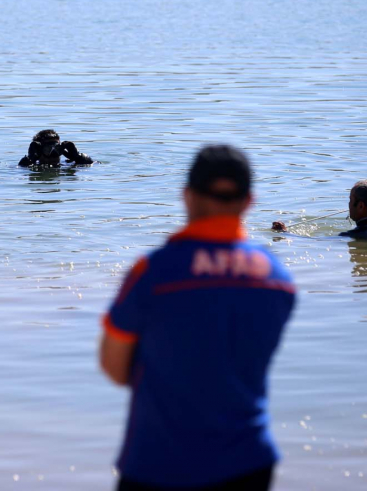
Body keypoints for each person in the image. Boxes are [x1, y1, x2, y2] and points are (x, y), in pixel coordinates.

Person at [100, 145, 296, 491]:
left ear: (187, 196)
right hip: (248, 462)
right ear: (249, 201)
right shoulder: (277, 279)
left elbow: (115, 368)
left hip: (158, 463)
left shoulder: (153, 272)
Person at [271, 179, 367, 239]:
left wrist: (284, 233)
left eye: (351, 201)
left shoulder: (351, 236)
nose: (349, 205)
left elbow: (315, 241)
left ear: (361, 206)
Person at [18, 129, 94, 166]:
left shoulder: (67, 164)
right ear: (39, 150)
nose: (53, 154)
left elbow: (94, 165)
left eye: (57, 149)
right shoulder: (30, 166)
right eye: (48, 149)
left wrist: (77, 157)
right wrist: (31, 159)